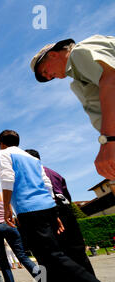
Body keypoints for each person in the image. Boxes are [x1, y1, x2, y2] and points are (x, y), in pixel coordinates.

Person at [0, 129, 114, 282]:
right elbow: (47, 184)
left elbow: (7, 177)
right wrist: (55, 213)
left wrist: (6, 207)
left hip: (29, 210)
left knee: (53, 256)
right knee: (46, 258)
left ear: (1, 143)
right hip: (47, 207)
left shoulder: (3, 153)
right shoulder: (33, 159)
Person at [30, 35, 115, 180]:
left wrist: (109, 141)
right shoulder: (78, 78)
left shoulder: (78, 54)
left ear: (53, 54)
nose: (49, 77)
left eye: (45, 71)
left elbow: (111, 81)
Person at [25, 149, 95, 276]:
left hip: (50, 209)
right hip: (65, 208)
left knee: (56, 250)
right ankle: (91, 280)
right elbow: (67, 194)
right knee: (77, 248)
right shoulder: (54, 173)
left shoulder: (32, 173)